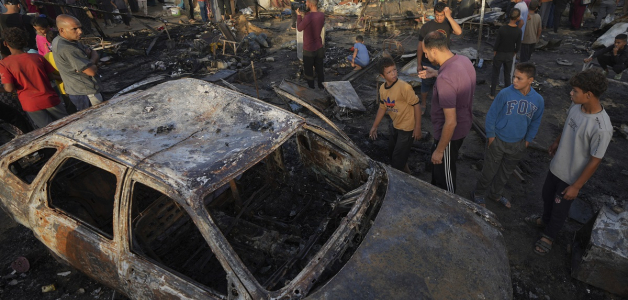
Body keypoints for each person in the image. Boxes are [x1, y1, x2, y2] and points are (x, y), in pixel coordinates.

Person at [525, 69, 612, 256]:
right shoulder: (575, 107)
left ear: (588, 95)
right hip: (557, 166)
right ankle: (544, 219)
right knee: (547, 195)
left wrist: (577, 186)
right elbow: (567, 126)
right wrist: (557, 141)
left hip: (571, 177)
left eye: (574, 91)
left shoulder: (601, 127)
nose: (571, 94)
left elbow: (595, 160)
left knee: (560, 208)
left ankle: (549, 235)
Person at [473, 63, 544, 208]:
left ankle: (495, 194)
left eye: (519, 78)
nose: (514, 81)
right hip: (498, 140)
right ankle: (478, 194)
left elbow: (535, 122)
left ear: (530, 80)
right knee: (489, 170)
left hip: (518, 144)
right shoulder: (505, 93)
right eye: (514, 77)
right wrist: (491, 136)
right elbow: (492, 115)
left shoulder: (538, 100)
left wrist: (527, 141)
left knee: (505, 172)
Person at [418, 31, 475, 193]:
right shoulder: (463, 60)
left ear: (434, 51)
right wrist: (436, 73)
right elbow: (457, 79)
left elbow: (450, 122)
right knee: (438, 170)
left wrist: (440, 150)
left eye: (427, 53)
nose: (426, 57)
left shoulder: (446, 79)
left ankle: (450, 206)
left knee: (446, 178)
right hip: (464, 124)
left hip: (450, 134)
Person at [0, 28, 68, 129]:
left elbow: (9, 88)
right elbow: (51, 76)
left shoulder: (4, 64)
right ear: (25, 42)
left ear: (5, 43)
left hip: (30, 104)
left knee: (49, 131)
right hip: (50, 99)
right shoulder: (37, 57)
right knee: (68, 124)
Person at [369, 57, 422, 173]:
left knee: (397, 159)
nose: (393, 74)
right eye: (389, 72)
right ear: (382, 76)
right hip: (395, 125)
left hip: (407, 128)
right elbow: (382, 108)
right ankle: (408, 173)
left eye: (394, 70)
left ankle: (400, 181)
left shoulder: (404, 87)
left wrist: (417, 127)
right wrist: (375, 126)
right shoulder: (382, 89)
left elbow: (417, 105)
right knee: (393, 152)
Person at [416, 2, 462, 114]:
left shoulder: (448, 23)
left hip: (444, 63)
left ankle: (441, 105)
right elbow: (420, 47)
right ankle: (423, 103)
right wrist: (418, 63)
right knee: (425, 84)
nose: (439, 17)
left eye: (442, 15)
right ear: (434, 13)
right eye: (437, 15)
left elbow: (459, 32)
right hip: (428, 62)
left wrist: (449, 17)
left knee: (442, 84)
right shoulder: (427, 27)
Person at [52, 15, 103, 111]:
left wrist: (90, 58)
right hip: (86, 92)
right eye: (74, 29)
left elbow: (90, 51)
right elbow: (91, 71)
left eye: (80, 27)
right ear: (61, 30)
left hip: (77, 90)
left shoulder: (61, 40)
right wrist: (92, 60)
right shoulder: (67, 48)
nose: (80, 31)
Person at [490, 8, 521, 99]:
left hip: (499, 54)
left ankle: (492, 94)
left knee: (495, 73)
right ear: (518, 18)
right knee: (507, 75)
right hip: (509, 55)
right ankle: (508, 95)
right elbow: (518, 45)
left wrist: (495, 52)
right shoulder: (518, 31)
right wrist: (514, 52)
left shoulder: (502, 29)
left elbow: (497, 43)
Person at [296, 0, 325, 89]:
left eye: (307, 3)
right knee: (320, 69)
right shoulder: (322, 15)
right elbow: (314, 19)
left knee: (308, 71)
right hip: (319, 47)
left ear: (311, 4)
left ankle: (311, 89)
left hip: (309, 49)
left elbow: (300, 28)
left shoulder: (308, 17)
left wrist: (298, 15)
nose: (305, 4)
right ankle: (321, 87)